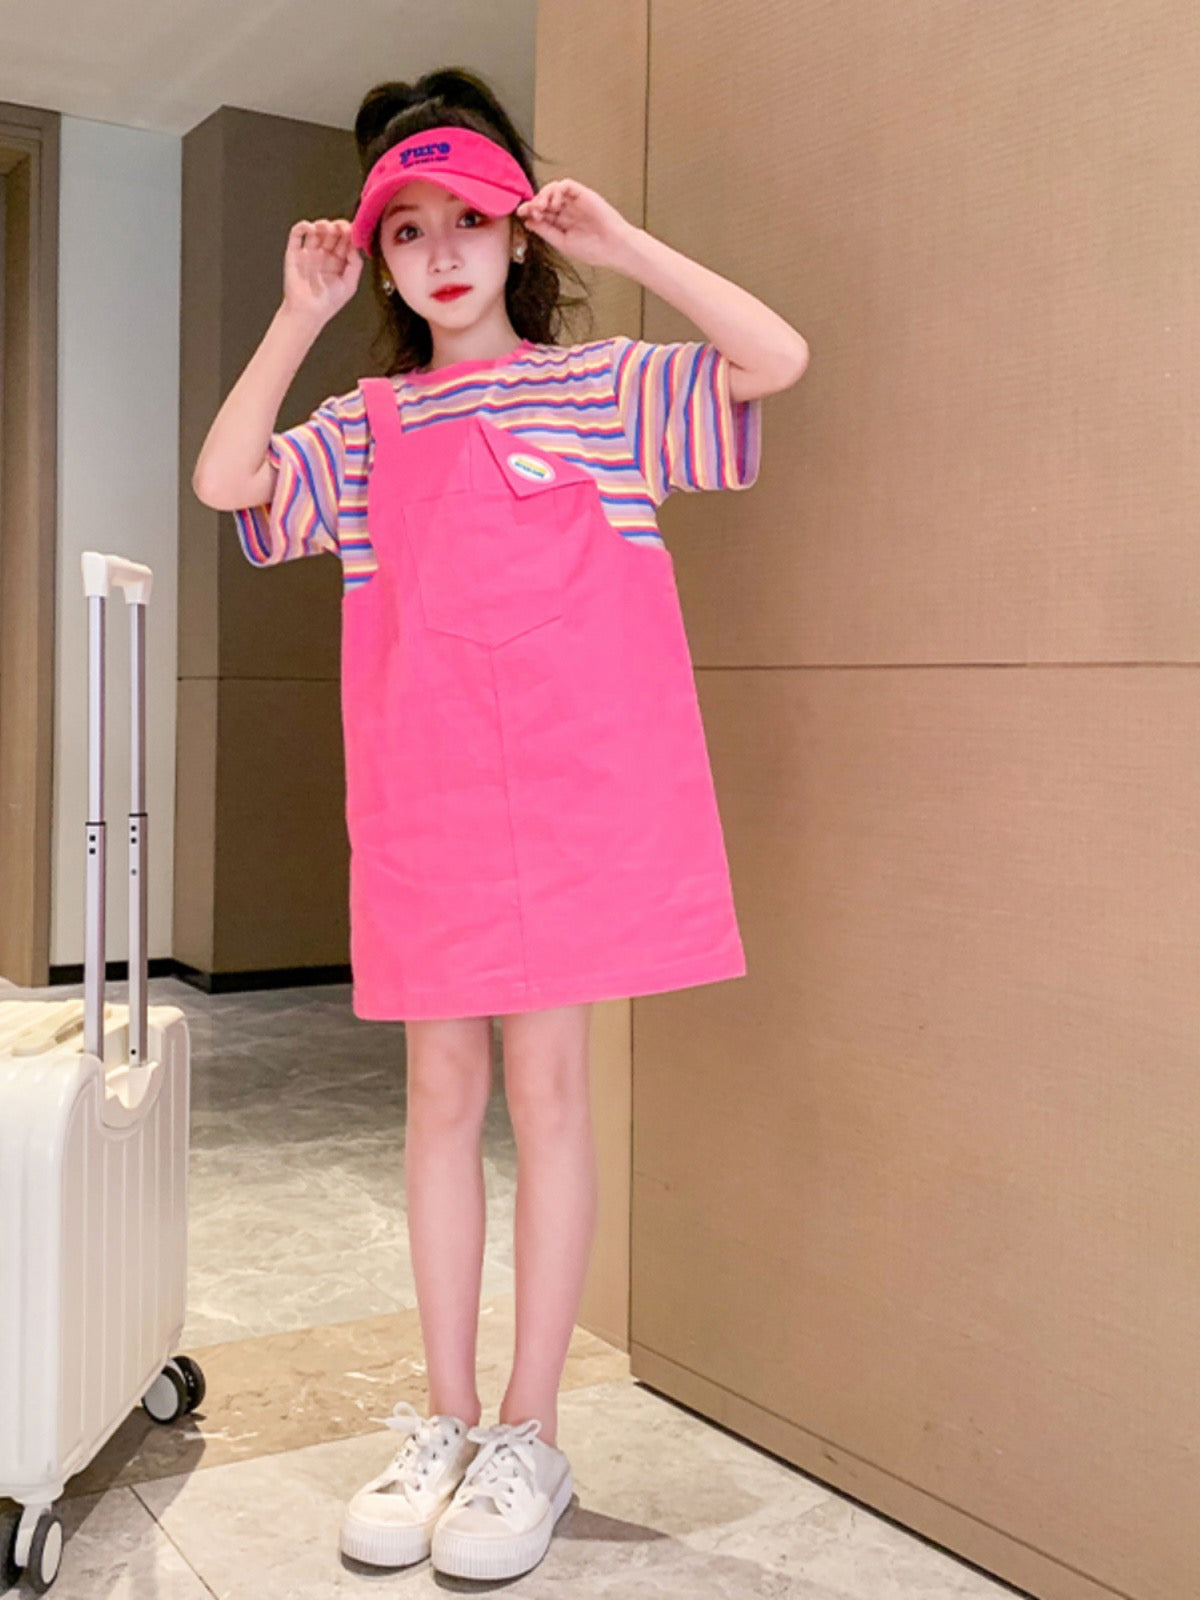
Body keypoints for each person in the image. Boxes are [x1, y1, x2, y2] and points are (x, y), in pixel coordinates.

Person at [192, 64, 808, 1585]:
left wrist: (627, 245)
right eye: (406, 233)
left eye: (469, 219)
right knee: (438, 1097)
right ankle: (448, 1422)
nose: (442, 252)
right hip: (430, 810)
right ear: (381, 261)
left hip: (579, 810)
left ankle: (532, 1430)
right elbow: (227, 480)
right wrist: (297, 317)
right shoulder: (364, 423)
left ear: (520, 231)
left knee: (551, 1096)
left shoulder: (604, 392)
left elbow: (774, 358)